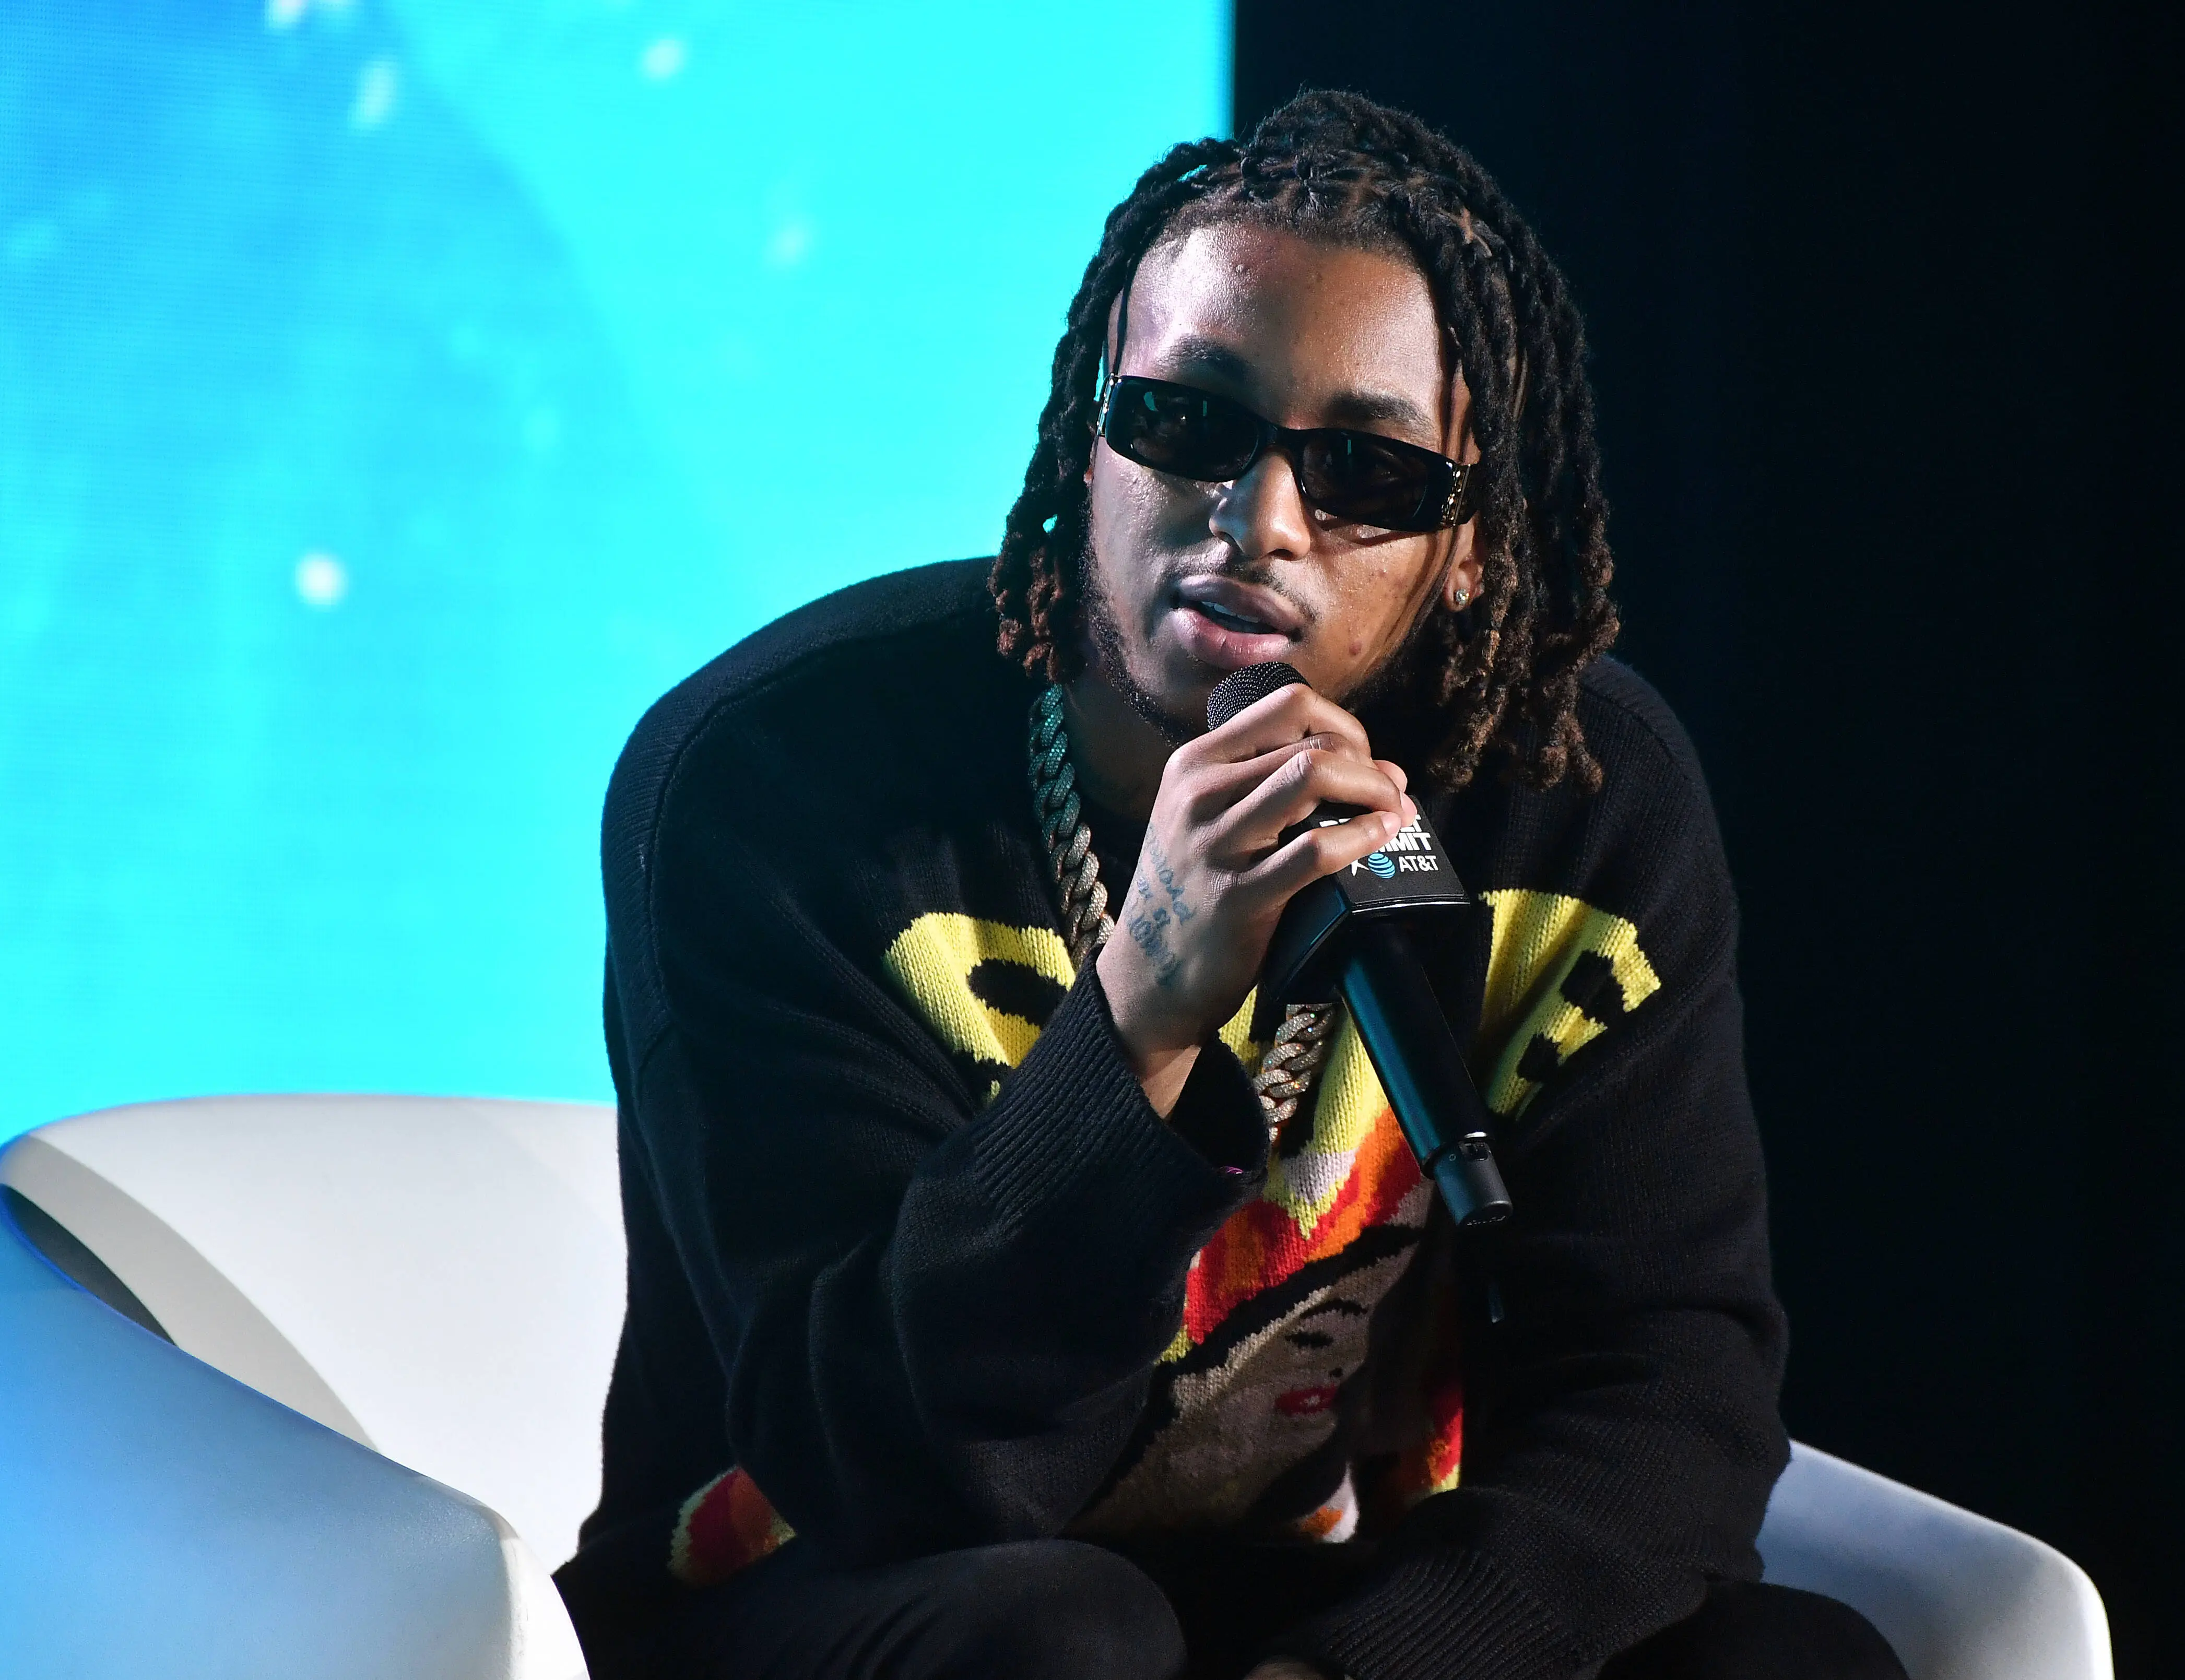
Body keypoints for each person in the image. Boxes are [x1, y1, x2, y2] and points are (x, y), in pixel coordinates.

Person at [552, 91, 1906, 1680]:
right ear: (1089, 444)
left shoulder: (1578, 804)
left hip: (1293, 1596)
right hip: (830, 1584)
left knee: (1796, 1662)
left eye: (1367, 473)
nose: (1259, 522)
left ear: (1471, 543)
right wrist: (1141, 1011)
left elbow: (1666, 1386)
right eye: (1188, 425)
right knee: (1066, 1637)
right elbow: (882, 1464)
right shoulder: (775, 783)